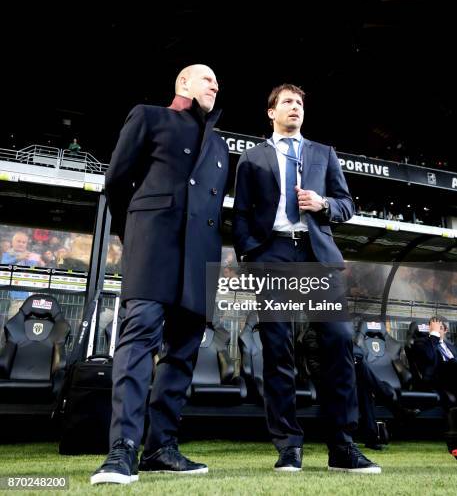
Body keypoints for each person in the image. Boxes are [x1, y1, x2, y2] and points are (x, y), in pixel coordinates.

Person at [91, 64, 229, 485]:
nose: (215, 84)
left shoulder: (222, 147)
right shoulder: (149, 115)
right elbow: (116, 181)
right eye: (207, 78)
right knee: (138, 342)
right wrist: (135, 233)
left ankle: (160, 447)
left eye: (217, 82)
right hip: (154, 247)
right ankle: (122, 450)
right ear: (183, 83)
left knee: (183, 353)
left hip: (200, 258)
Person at [233, 83, 380, 473]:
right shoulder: (251, 158)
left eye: (299, 103)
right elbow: (241, 214)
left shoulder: (323, 153)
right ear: (271, 112)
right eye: (287, 102)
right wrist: (252, 253)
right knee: (277, 349)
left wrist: (323, 204)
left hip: (316, 255)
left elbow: (346, 205)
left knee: (339, 342)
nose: (295, 107)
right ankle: (288, 446)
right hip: (274, 254)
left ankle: (342, 446)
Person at [411, 316, 457, 460]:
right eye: (432, 327)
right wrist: (434, 336)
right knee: (451, 365)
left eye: (439, 328)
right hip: (435, 380)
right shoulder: (421, 343)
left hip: (453, 381)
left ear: (446, 330)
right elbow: (430, 358)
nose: (436, 330)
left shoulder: (452, 346)